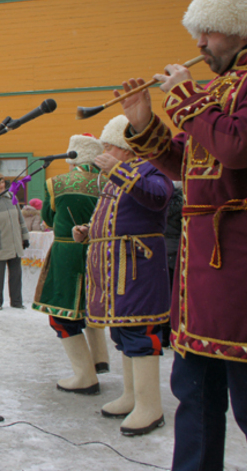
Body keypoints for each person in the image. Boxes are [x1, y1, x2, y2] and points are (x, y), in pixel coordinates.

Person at [117, 0, 247, 468]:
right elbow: (190, 160)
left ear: (241, 24)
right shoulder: (220, 89)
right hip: (201, 278)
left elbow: (236, 146)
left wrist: (187, 95)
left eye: (207, 31)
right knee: (195, 399)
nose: (200, 43)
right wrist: (145, 124)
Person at [73, 115, 172, 437]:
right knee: (123, 333)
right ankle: (132, 396)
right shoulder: (114, 176)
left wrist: (118, 171)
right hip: (116, 268)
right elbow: (114, 218)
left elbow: (158, 198)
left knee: (140, 332)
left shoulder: (151, 170)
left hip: (137, 267)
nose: (103, 153)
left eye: (108, 148)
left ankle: (150, 406)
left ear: (124, 149)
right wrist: (88, 231)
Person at [32, 134, 110, 394]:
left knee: (62, 314)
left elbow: (49, 219)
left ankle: (85, 376)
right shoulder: (108, 182)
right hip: (100, 252)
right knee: (92, 307)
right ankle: (100, 358)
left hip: (67, 252)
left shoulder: (57, 183)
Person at [0, 172, 29, 310]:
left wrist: (25, 237)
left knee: (16, 275)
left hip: (15, 242)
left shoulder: (12, 197)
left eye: (3, 182)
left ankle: (16, 301)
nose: (1, 185)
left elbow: (20, 219)